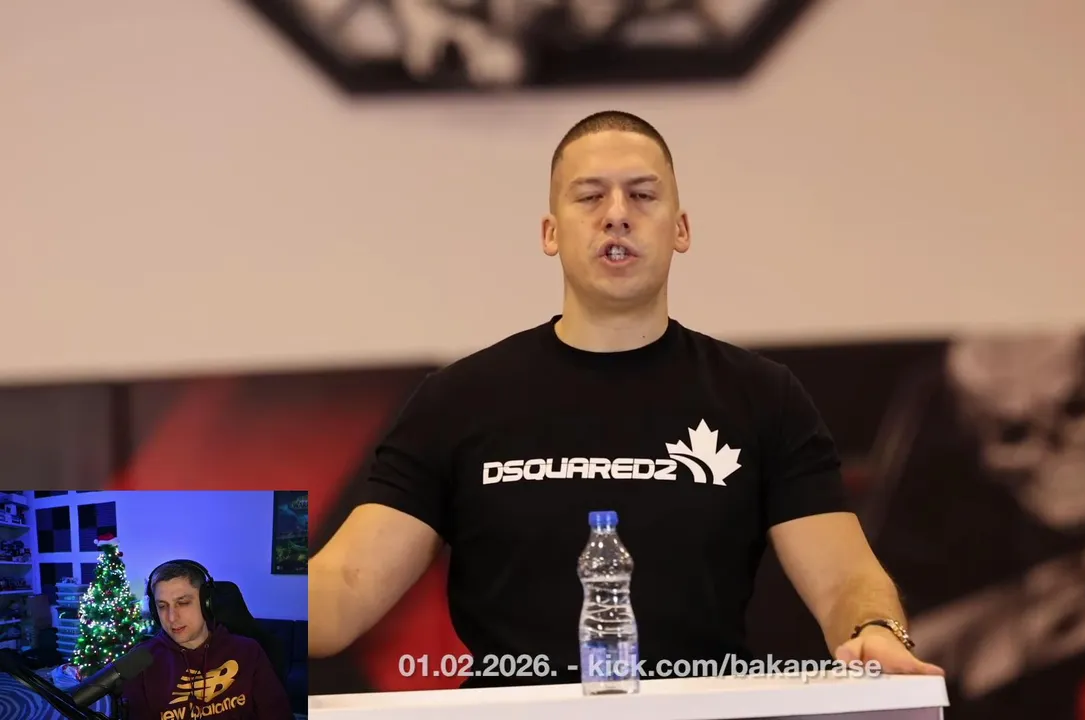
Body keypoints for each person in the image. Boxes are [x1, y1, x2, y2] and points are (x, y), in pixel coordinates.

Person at [308, 111, 945, 685]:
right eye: (589, 196)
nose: (616, 214)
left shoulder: (762, 396)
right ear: (551, 232)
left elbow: (845, 579)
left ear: (681, 229)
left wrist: (876, 630)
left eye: (642, 194)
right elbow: (343, 586)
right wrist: (243, 587)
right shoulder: (456, 400)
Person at [118, 560, 293, 719]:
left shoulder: (248, 651)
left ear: (207, 603)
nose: (171, 618)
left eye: (183, 603)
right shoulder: (141, 662)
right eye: (162, 606)